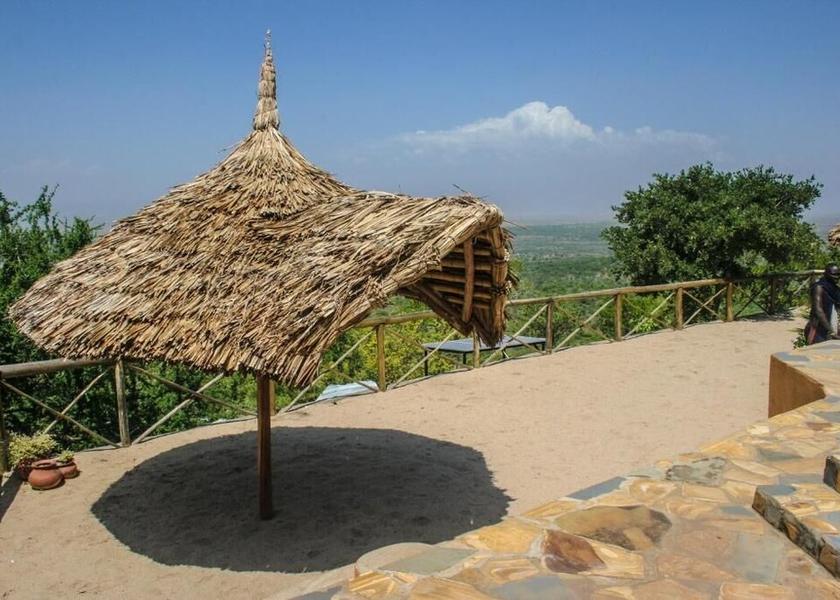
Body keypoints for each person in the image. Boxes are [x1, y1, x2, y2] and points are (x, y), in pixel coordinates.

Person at [805, 264, 840, 344]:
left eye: (838, 274)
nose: (837, 277)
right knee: (816, 354)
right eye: (834, 274)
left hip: (832, 327)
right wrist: (830, 331)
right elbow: (818, 310)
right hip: (818, 330)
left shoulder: (835, 290)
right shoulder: (819, 287)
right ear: (826, 274)